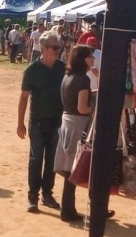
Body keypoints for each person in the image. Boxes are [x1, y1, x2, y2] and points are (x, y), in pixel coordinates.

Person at [17, 30, 65, 213]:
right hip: (37, 122)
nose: (57, 50)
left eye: (58, 47)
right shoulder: (32, 70)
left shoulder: (62, 68)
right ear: (43, 48)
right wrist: (20, 123)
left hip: (57, 122)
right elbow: (23, 98)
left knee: (52, 160)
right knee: (36, 160)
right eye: (54, 47)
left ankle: (47, 194)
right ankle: (33, 197)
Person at [54, 45, 95, 222]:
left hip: (67, 123)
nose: (93, 59)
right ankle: (68, 211)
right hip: (78, 125)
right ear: (82, 59)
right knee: (76, 169)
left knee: (70, 169)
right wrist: (95, 108)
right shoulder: (83, 79)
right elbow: (82, 107)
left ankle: (68, 209)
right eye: (90, 57)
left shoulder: (68, 76)